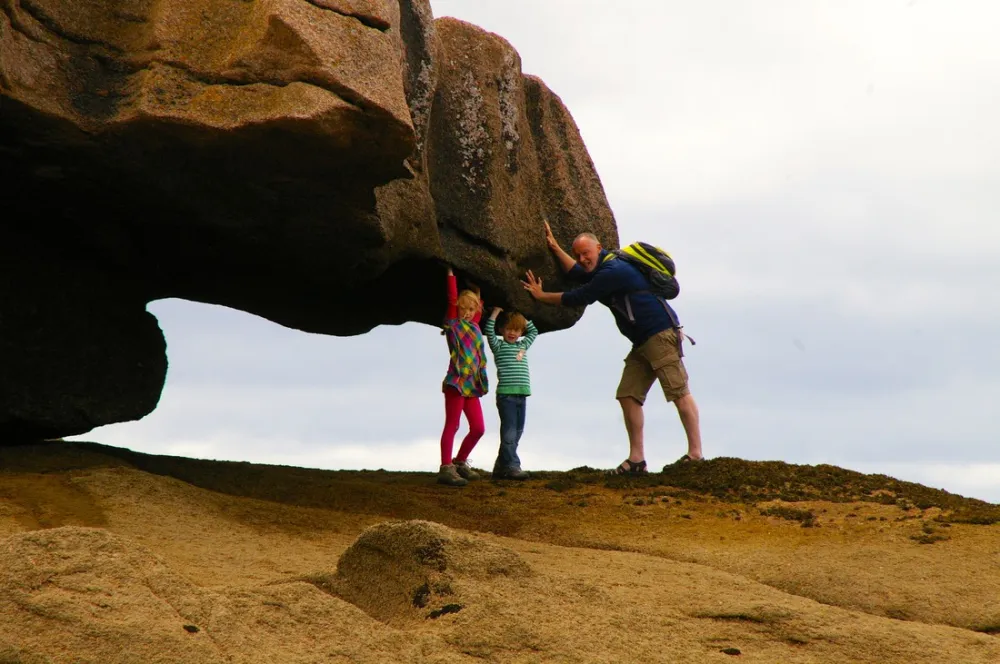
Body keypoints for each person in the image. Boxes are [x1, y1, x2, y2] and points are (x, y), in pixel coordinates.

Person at [521, 222, 703, 474]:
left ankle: (696, 455)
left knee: (679, 392)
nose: (583, 259)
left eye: (586, 253)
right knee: (628, 395)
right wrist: (554, 247)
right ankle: (637, 460)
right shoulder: (604, 267)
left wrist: (542, 297)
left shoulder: (614, 270)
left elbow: (579, 296)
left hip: (660, 335)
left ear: (599, 247)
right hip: (642, 341)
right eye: (578, 254)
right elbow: (578, 273)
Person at [438, 266, 488, 487]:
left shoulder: (475, 325)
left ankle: (459, 462)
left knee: (478, 428)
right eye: (463, 308)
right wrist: (450, 275)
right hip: (456, 383)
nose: (467, 312)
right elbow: (452, 300)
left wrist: (477, 291)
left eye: (471, 309)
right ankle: (446, 467)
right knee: (453, 424)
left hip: (472, 384)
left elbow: (477, 307)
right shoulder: (453, 324)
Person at [484, 307, 539, 480]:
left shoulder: (523, 345)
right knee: (508, 433)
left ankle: (501, 467)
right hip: (506, 396)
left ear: (521, 331)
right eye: (509, 329)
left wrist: (523, 317)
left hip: (522, 395)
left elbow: (534, 331)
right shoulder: (498, 346)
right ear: (502, 330)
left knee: (517, 432)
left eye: (516, 329)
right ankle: (513, 466)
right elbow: (488, 331)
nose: (512, 333)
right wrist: (495, 314)